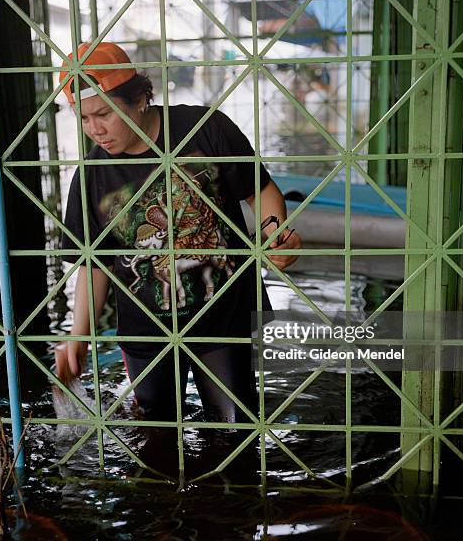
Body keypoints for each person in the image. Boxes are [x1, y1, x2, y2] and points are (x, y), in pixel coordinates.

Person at [55, 41, 301, 423]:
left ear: (139, 99)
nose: (95, 130)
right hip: (145, 328)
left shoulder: (206, 129)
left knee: (235, 427)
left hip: (222, 315)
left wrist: (275, 235)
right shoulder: (91, 173)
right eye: (83, 119)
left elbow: (261, 192)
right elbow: (94, 264)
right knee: (156, 431)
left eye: (103, 114)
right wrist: (79, 336)